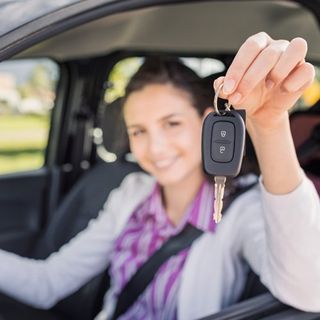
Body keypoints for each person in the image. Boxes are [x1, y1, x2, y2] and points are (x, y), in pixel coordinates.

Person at [0, 32, 320, 320]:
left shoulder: (242, 209)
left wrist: (268, 126)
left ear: (208, 123)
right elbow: (49, 283)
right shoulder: (131, 192)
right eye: (138, 132)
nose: (155, 147)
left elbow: (309, 292)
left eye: (172, 124)